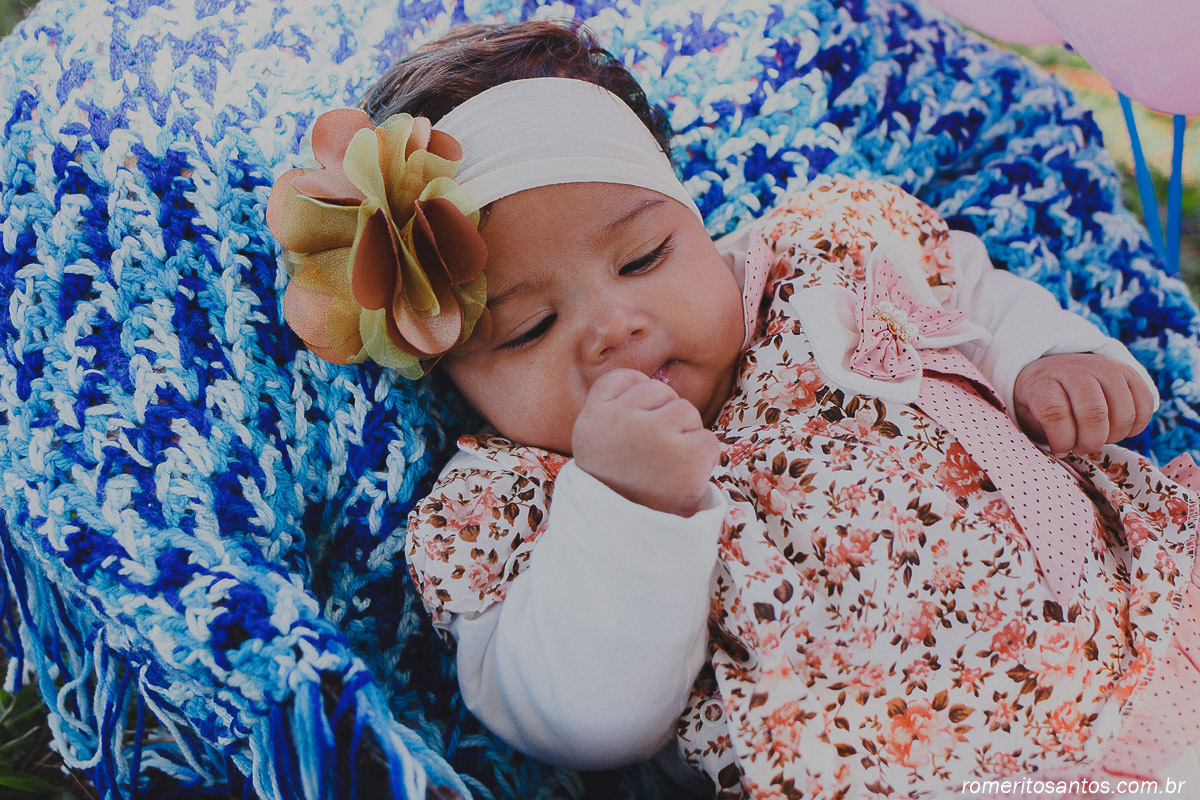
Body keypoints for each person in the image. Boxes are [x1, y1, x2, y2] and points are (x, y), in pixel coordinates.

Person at [270, 20, 1200, 799]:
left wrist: (1049, 358)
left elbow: (967, 286)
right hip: (913, 764)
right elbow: (582, 722)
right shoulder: (514, 503)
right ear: (455, 380)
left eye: (644, 259)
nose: (612, 328)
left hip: (1144, 616)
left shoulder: (820, 260)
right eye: (529, 330)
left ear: (694, 221)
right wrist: (630, 506)